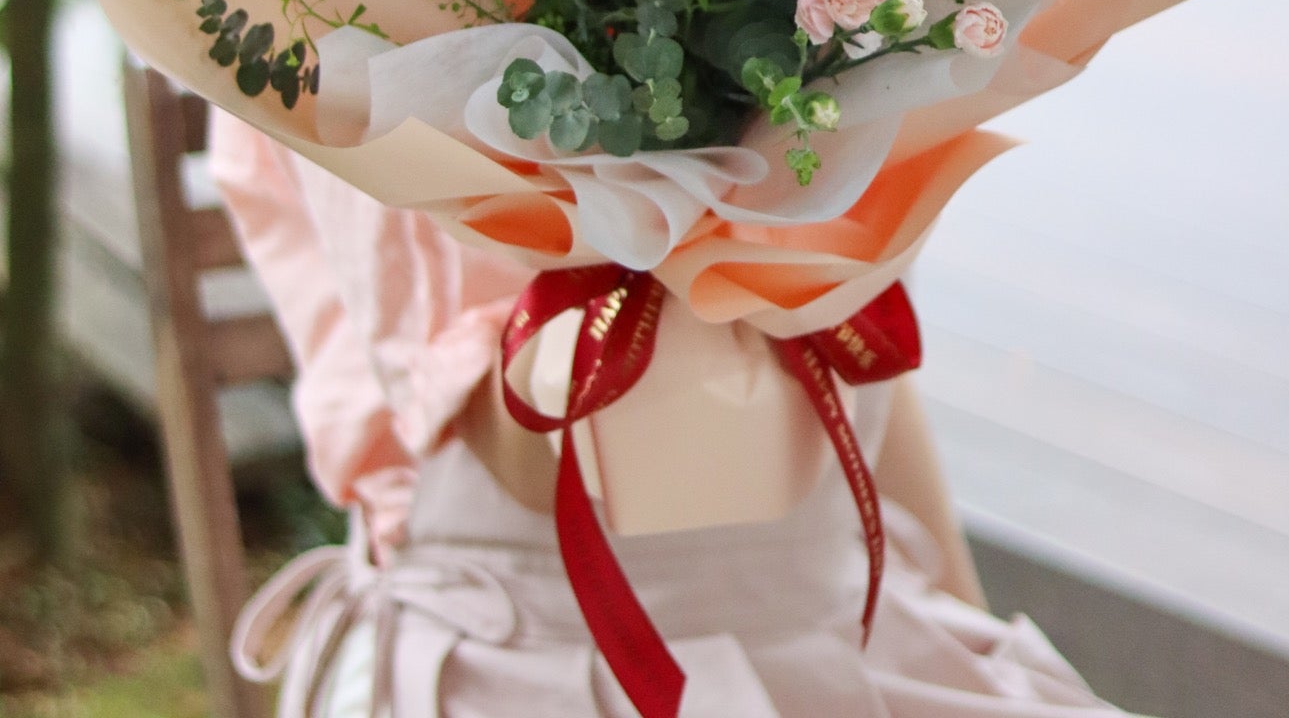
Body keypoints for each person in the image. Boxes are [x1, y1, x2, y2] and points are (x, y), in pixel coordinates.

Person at [212, 113, 1134, 717]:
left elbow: (868, 343)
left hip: (846, 610)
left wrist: (977, 648)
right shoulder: (342, 3)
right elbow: (492, 441)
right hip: (521, 654)